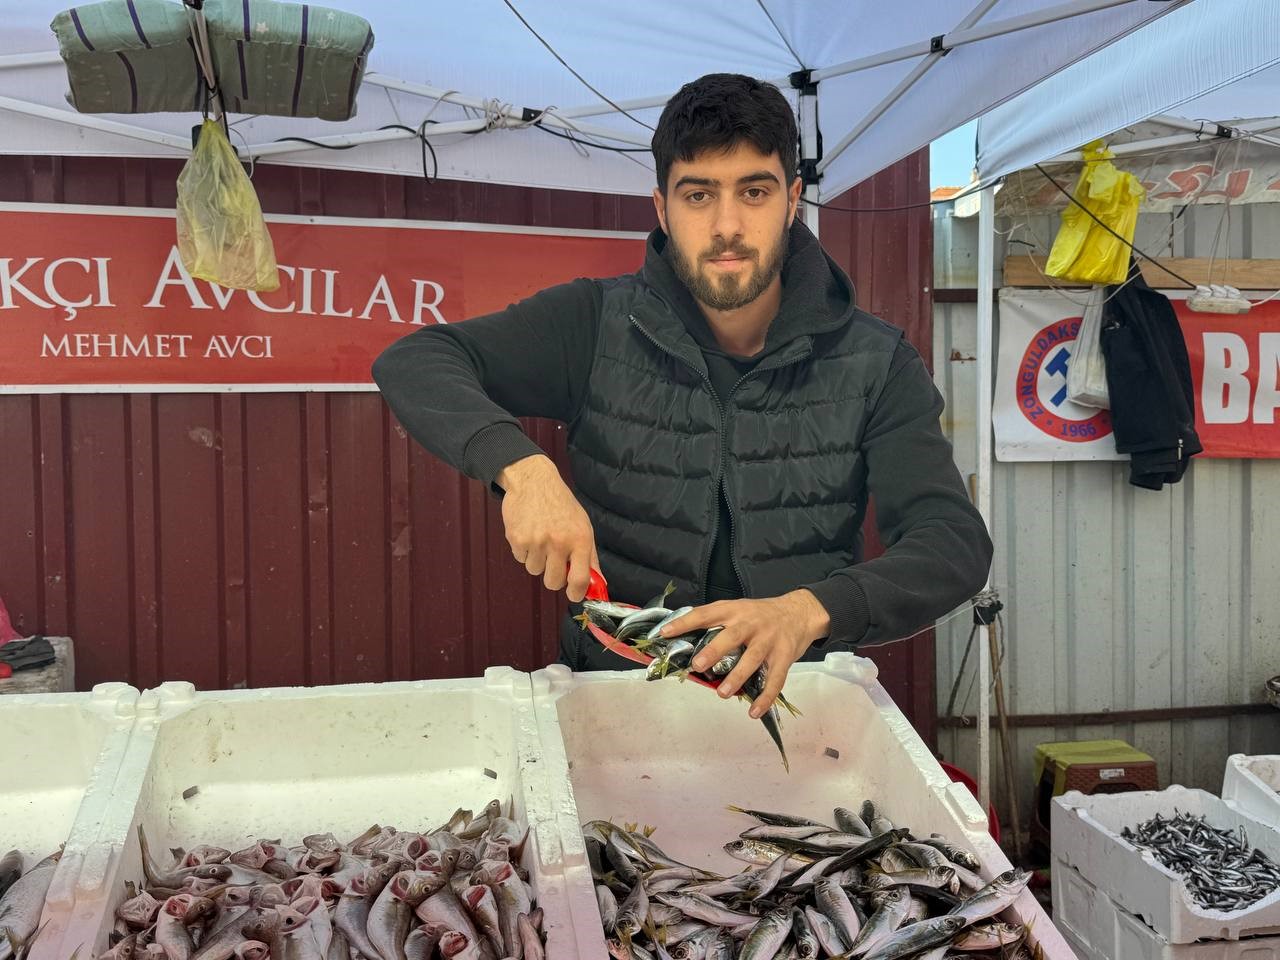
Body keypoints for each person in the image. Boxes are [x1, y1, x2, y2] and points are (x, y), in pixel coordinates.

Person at [373, 73, 992, 719]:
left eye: (754, 191)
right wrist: (522, 470)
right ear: (663, 209)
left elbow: (951, 542)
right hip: (615, 691)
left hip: (790, 698)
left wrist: (807, 610)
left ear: (793, 200)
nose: (727, 225)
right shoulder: (592, 323)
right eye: (699, 195)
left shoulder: (876, 360)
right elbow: (414, 359)